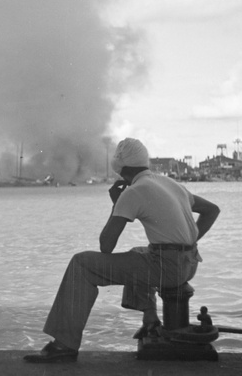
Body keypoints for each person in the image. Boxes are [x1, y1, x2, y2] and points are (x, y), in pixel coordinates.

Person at [23, 138, 220, 363]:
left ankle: (64, 345)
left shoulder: (134, 191)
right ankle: (150, 318)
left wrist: (116, 205)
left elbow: (106, 245)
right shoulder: (169, 183)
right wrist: (189, 240)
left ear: (119, 167)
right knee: (138, 253)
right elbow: (212, 210)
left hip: (168, 268)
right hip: (190, 264)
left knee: (81, 263)